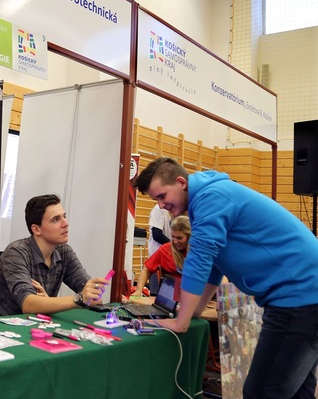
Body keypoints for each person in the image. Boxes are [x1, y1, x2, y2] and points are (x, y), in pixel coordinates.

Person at [135, 156, 318, 398]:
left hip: (298, 297)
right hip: (303, 294)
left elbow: (199, 261)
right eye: (156, 200)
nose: (161, 205)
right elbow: (214, 267)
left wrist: (181, 322)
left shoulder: (211, 197)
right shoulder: (209, 197)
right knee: (296, 392)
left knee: (262, 392)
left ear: (181, 182)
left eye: (162, 196)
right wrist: (194, 311)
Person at [0, 194, 108, 317]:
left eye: (64, 216)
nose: (65, 223)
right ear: (36, 229)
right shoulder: (16, 252)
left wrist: (91, 293)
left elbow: (95, 299)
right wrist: (79, 299)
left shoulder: (64, 252)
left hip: (36, 323)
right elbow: (28, 305)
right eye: (56, 219)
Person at [133, 215, 190, 296]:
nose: (175, 241)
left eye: (179, 238)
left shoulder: (200, 251)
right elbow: (146, 270)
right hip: (170, 295)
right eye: (173, 237)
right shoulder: (165, 249)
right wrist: (139, 290)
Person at [146, 203, 173, 294]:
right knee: (156, 294)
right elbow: (157, 235)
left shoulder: (175, 210)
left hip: (169, 260)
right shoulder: (159, 209)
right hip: (157, 261)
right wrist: (174, 246)